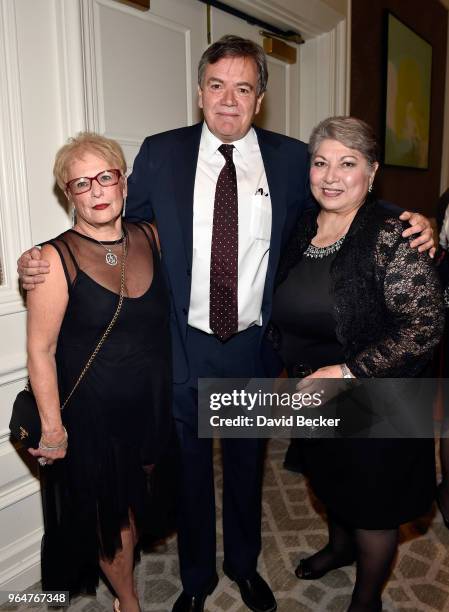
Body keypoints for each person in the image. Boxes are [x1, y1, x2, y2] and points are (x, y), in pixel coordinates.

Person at [18, 37, 435, 612]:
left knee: (245, 465)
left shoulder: (294, 160)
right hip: (182, 347)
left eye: (244, 87)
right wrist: (42, 256)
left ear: (260, 98)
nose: (229, 100)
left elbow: (345, 205)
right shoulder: (163, 153)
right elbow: (116, 229)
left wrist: (416, 220)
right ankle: (194, 580)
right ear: (199, 92)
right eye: (217, 85)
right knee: (188, 470)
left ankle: (243, 565)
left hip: (252, 348)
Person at [269, 116, 444, 611]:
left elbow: (426, 326)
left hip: (376, 397)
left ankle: (366, 600)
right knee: (329, 480)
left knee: (372, 507)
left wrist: (348, 373)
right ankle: (338, 547)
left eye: (347, 164)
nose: (331, 176)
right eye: (321, 162)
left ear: (371, 171)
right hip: (316, 394)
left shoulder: (394, 234)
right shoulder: (303, 223)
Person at [26, 133, 173, 612]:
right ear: (69, 195)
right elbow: (41, 350)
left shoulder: (151, 237)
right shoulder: (54, 259)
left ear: (123, 182)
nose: (96, 190)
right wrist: (52, 428)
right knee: (112, 517)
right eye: (81, 183)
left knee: (137, 503)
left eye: (105, 177)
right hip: (94, 413)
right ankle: (127, 598)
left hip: (149, 403)